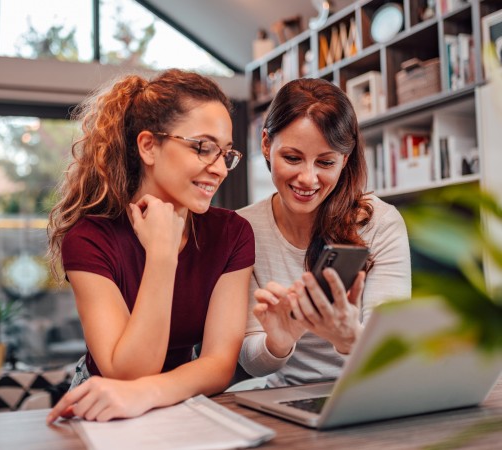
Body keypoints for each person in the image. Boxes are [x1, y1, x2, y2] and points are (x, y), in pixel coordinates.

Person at [46, 69, 254, 423]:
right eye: (203, 148)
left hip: (182, 396)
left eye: (226, 153)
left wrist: (154, 392)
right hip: (106, 407)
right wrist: (161, 256)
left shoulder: (232, 234)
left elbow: (219, 365)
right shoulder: (89, 238)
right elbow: (126, 375)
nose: (219, 169)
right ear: (148, 146)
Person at [237, 78, 411, 388]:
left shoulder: (380, 223)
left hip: (368, 391)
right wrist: (279, 341)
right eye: (292, 158)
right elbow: (251, 363)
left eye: (325, 162)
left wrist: (349, 337)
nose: (308, 178)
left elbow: (392, 356)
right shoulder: (242, 229)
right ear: (266, 144)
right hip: (285, 396)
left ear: (345, 159)